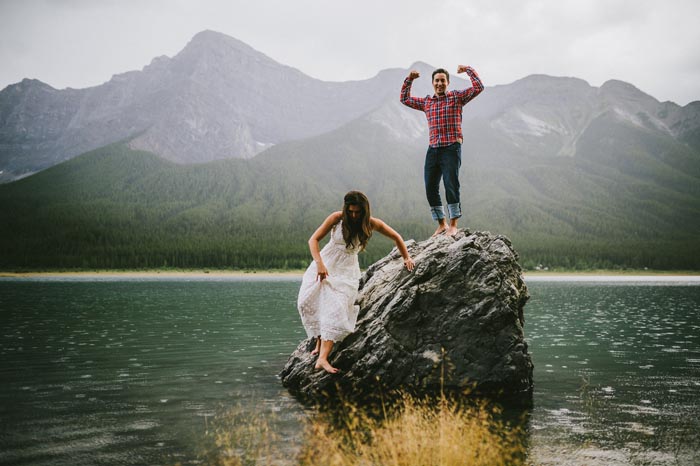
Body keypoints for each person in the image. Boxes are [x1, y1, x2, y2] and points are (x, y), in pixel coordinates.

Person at [297, 191, 415, 373]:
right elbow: (313, 240)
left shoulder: (372, 223)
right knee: (312, 301)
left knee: (336, 307)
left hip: (347, 271)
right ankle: (319, 343)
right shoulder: (336, 218)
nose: (353, 215)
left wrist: (406, 257)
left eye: (357, 212)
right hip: (325, 264)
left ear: (364, 211)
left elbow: (396, 237)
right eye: (350, 211)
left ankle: (322, 358)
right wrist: (319, 264)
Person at [400, 65, 484, 236]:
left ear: (448, 82)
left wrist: (468, 70)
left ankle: (453, 225)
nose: (439, 83)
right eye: (436, 81)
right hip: (433, 149)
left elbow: (478, 87)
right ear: (432, 83)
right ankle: (441, 224)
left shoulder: (457, 97)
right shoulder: (427, 102)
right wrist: (409, 79)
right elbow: (404, 99)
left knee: (450, 184)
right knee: (430, 187)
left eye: (442, 81)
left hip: (451, 147)